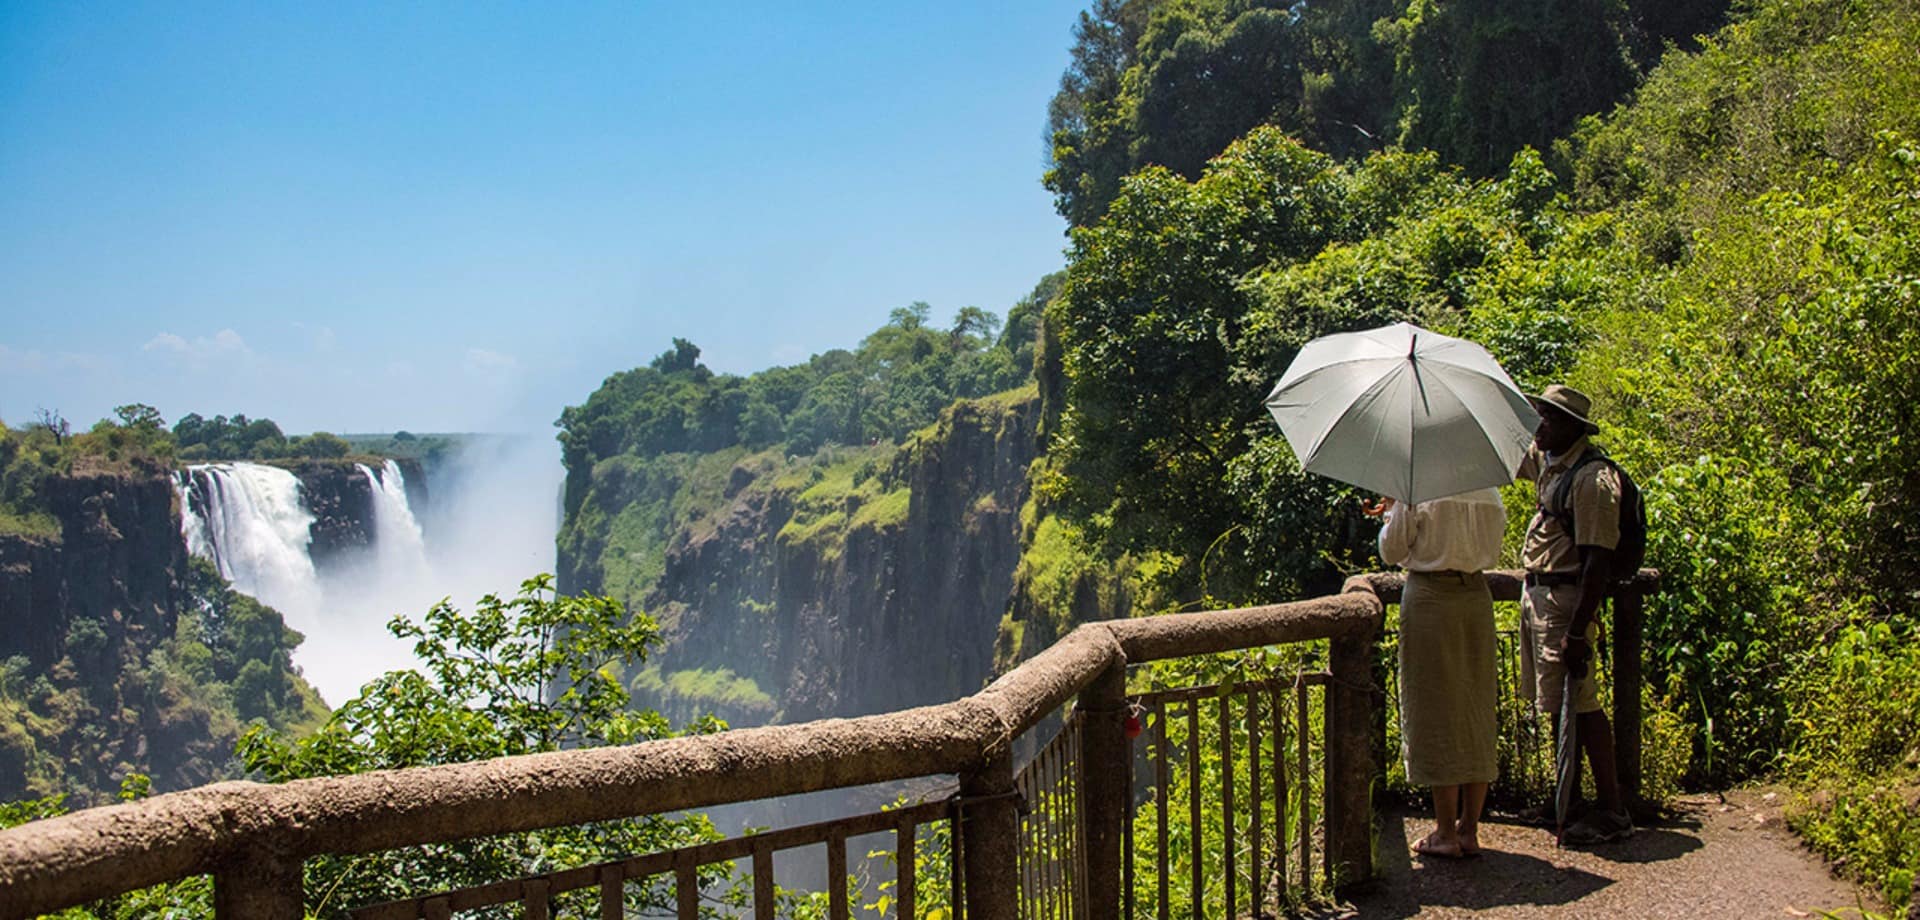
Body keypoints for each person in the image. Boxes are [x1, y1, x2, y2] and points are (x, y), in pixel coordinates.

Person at [1516, 384, 1634, 845]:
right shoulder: (1550, 463)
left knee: (1582, 702)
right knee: (1557, 702)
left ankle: (1612, 809)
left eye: (1548, 419)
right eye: (1539, 416)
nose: (1539, 426)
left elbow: (1597, 561)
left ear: (1574, 428)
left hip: (1567, 599)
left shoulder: (1593, 480)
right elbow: (1506, 458)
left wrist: (1579, 630)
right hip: (1542, 594)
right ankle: (1568, 796)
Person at [1369, 486, 1505, 859]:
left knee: (1435, 708)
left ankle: (1445, 830)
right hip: (1477, 596)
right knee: (1476, 707)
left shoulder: (1418, 488)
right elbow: (1492, 543)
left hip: (1431, 598)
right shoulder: (1488, 490)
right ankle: (1469, 830)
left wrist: (1393, 510)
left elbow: (1391, 550)